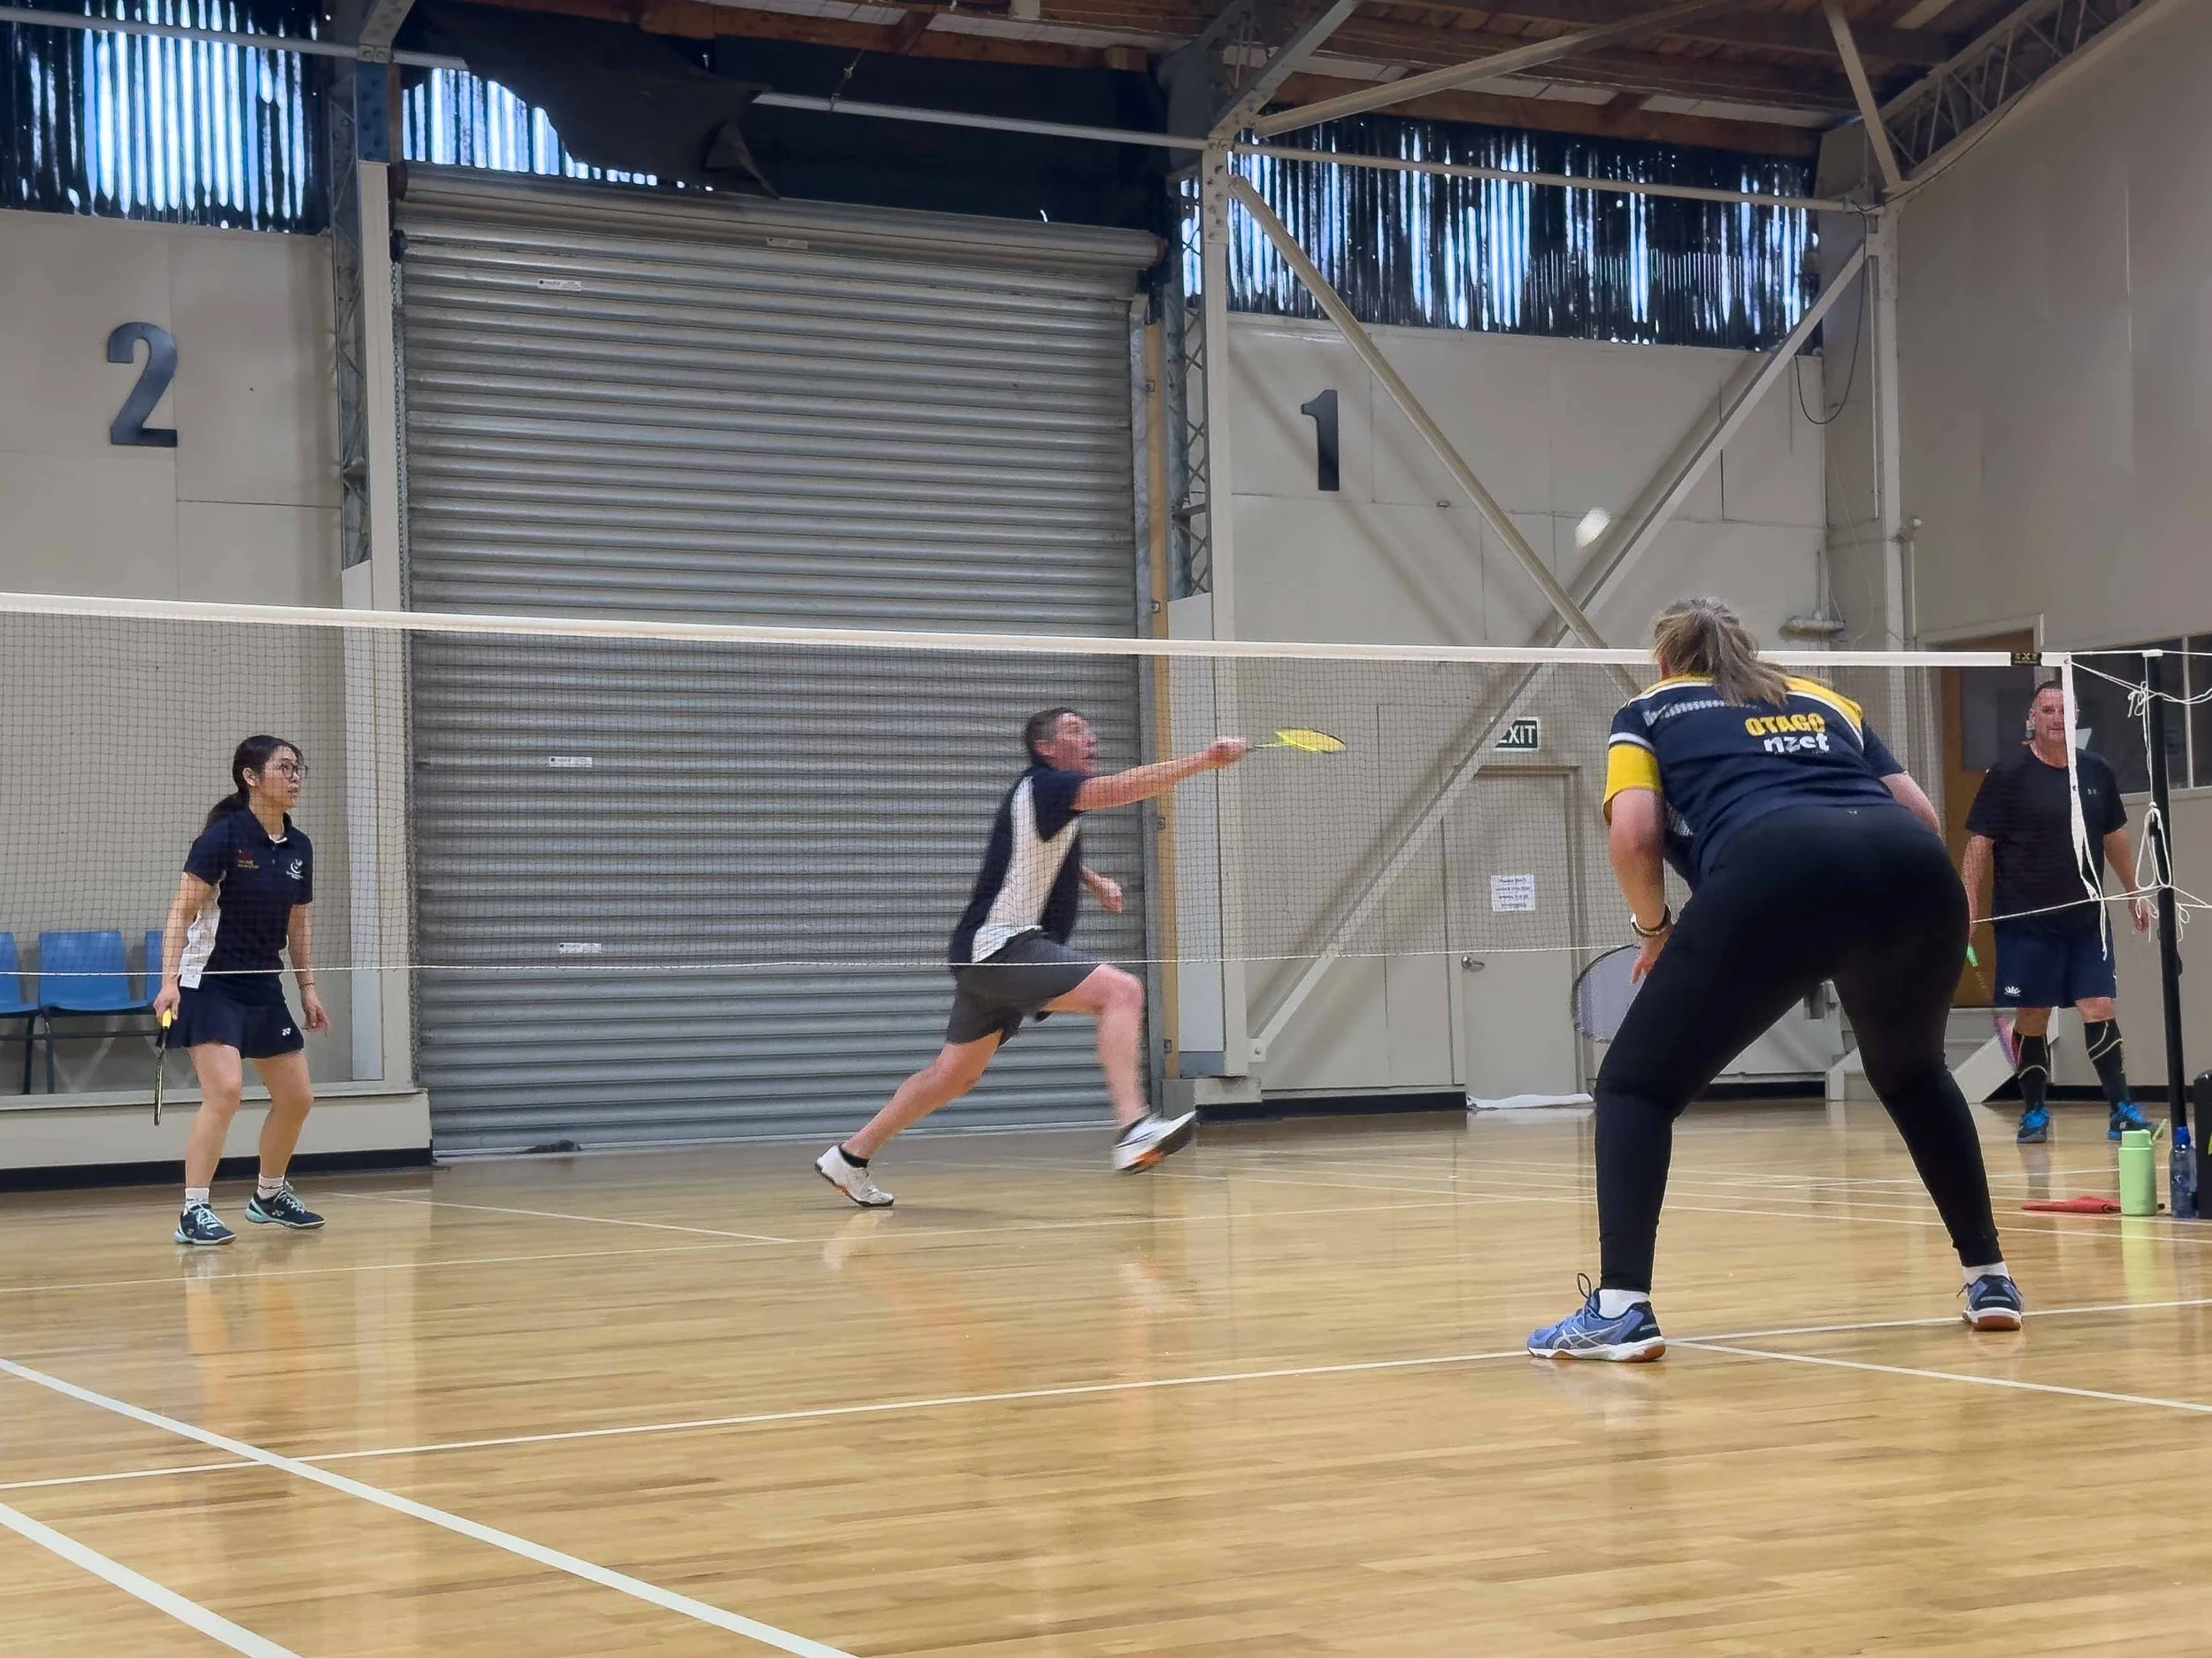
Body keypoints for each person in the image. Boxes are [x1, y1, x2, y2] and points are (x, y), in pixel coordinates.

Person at [1529, 597, 2020, 1362]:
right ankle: (1990, 1278)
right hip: (1917, 876)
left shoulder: (1649, 710)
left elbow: (1634, 835)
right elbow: (1923, 815)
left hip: (1776, 871)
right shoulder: (1828, 699)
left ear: (1665, 661)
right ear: (1748, 650)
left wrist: (1656, 931)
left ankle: (1622, 1306)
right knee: (1916, 1076)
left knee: (1634, 1088)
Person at [816, 709, 1248, 1206]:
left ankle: (849, 1158)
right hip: (1004, 947)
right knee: (1122, 991)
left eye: (1089, 728)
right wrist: (1203, 760)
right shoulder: (1050, 786)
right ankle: (1134, 1128)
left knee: (953, 1075)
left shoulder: (1044, 799)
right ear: (1046, 748)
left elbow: (1028, 851)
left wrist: (1092, 879)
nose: (1090, 737)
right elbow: (1118, 789)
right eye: (1074, 731)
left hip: (983, 955)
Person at [153, 736, 329, 1246]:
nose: (296, 778)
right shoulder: (223, 837)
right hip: (209, 983)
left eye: (299, 769)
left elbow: (299, 926)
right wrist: (167, 982)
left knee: (297, 1098)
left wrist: (309, 990)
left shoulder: (300, 847)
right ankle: (193, 1210)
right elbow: (180, 913)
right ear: (251, 777)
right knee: (226, 1092)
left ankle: (268, 1195)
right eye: (284, 768)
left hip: (262, 984)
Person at [1963, 682, 2154, 1144]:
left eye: (2063, 710)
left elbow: (2115, 837)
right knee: (2034, 1016)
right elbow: (1979, 845)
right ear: (2032, 716)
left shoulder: (2096, 771)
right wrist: (1966, 903)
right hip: (2025, 922)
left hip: (2086, 920)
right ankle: (2034, 1112)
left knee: (2099, 1006)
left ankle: (2121, 1108)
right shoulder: (2007, 774)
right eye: (2047, 709)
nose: (2054, 717)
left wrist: (2134, 889)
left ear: (2075, 717)